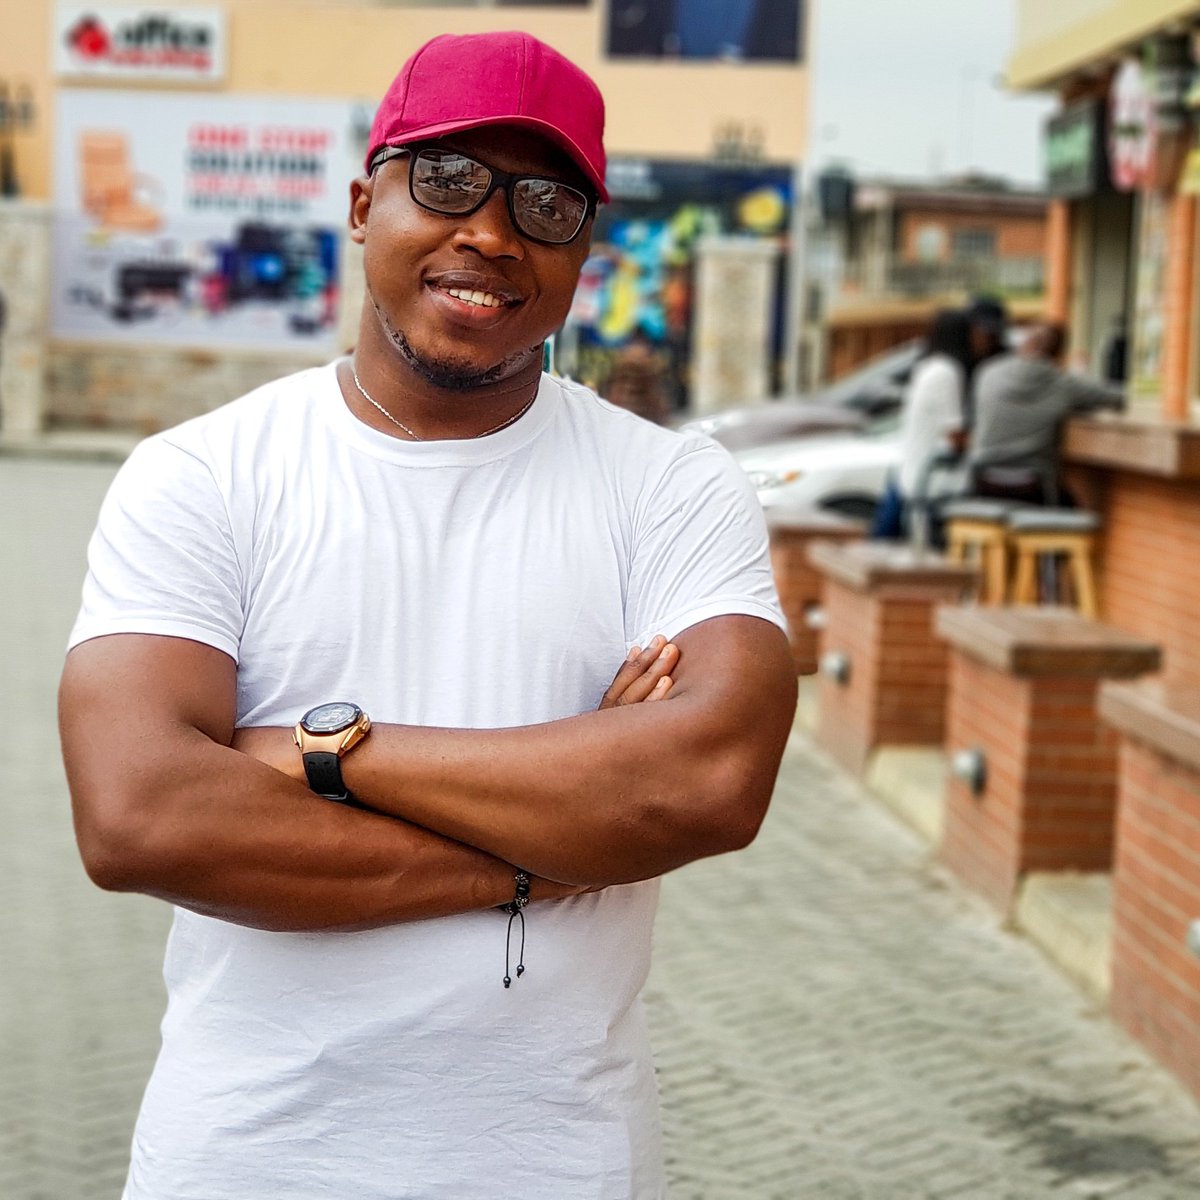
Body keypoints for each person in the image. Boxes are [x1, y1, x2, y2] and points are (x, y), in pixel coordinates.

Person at [57, 31, 797, 1200]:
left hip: (564, 1168)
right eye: (449, 180)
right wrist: (551, 852)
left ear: (583, 253)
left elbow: (709, 784)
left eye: (546, 205)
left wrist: (324, 750)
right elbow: (140, 819)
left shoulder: (669, 486)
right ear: (364, 206)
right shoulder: (203, 475)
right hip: (248, 1163)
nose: (493, 234)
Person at [968, 320, 1124, 504]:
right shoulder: (1061, 382)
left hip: (983, 478)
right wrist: (1079, 375)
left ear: (1021, 343)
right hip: (1035, 484)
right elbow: (1116, 397)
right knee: (1074, 508)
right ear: (1057, 355)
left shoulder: (987, 372)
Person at [871, 308, 974, 540]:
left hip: (910, 473)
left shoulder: (927, 366)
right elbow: (955, 434)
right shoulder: (947, 372)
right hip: (931, 483)